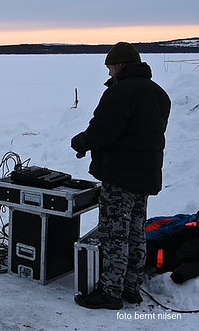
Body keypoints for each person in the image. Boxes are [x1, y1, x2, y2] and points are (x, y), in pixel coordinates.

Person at [71, 42, 171, 309]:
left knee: (115, 234)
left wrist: (81, 143)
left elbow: (104, 130)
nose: (109, 71)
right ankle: (131, 287)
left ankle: (111, 292)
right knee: (137, 232)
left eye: (110, 66)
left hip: (120, 177)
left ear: (119, 65)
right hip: (145, 176)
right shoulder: (159, 93)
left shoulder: (120, 93)